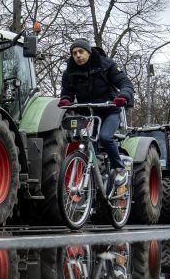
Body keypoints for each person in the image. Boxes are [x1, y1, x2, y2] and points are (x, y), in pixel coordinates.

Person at [58, 39, 135, 184]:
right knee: (86, 145)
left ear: (89, 52)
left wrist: (123, 96)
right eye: (74, 53)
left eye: (81, 52)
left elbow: (126, 84)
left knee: (105, 137)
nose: (78, 56)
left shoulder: (106, 65)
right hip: (88, 114)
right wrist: (66, 99)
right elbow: (66, 92)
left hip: (109, 111)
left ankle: (119, 168)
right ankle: (93, 187)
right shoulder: (69, 72)